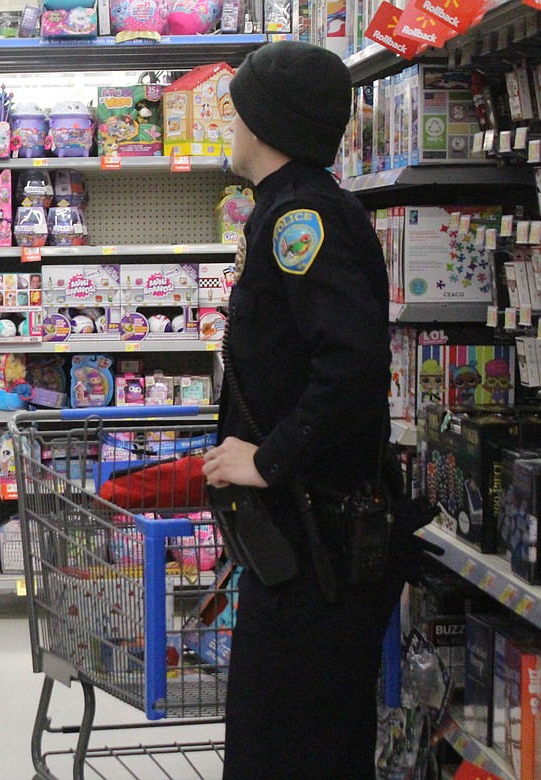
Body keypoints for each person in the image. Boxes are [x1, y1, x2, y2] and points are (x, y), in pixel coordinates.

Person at [199, 41, 402, 779]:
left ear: (266, 122)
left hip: (318, 551)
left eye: (238, 111)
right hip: (301, 542)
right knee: (304, 745)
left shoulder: (303, 219)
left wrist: (269, 457)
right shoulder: (285, 211)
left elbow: (351, 365)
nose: (230, 125)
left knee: (281, 750)